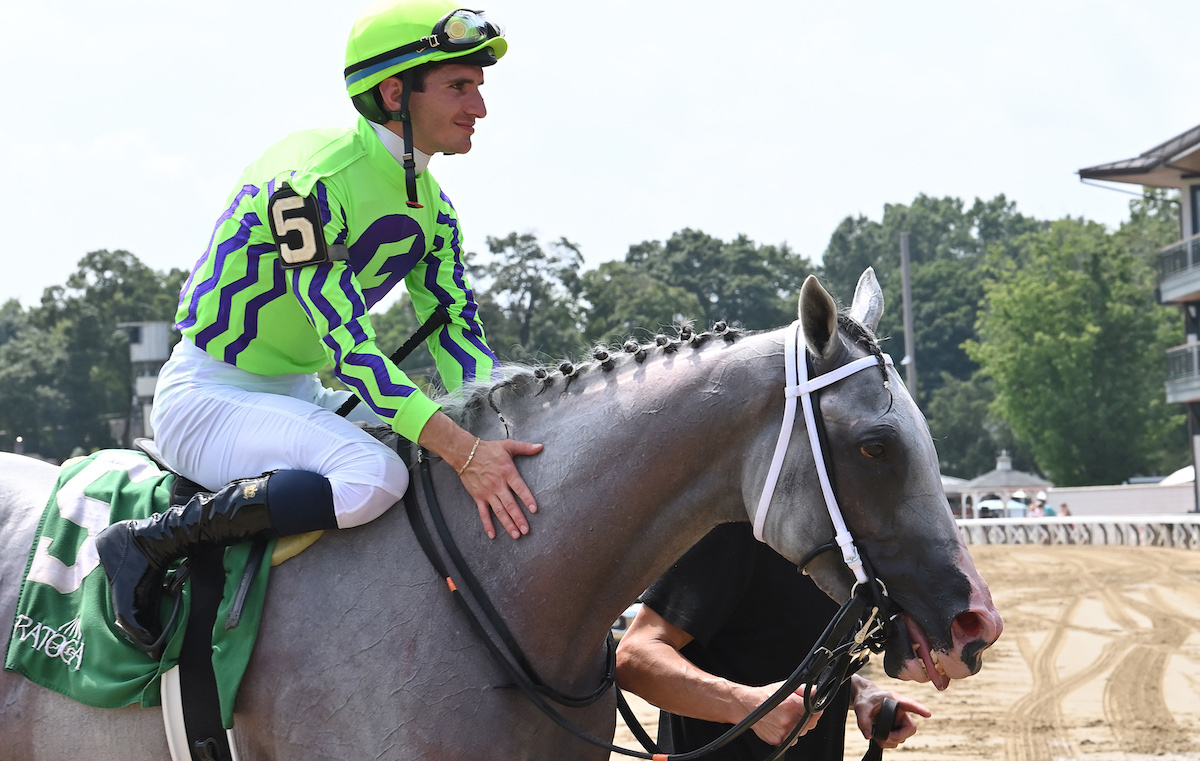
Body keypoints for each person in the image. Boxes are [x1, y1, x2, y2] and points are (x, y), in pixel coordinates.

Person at [95, 0, 541, 652]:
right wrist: (466, 452)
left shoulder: (435, 209)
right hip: (210, 396)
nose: (479, 107)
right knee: (378, 478)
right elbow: (352, 350)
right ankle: (152, 538)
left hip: (298, 393)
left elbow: (456, 334)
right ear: (395, 91)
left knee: (425, 459)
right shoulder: (309, 184)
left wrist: (501, 428)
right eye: (458, 86)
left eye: (478, 87)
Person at [616, 523, 931, 760]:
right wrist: (745, 705)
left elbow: (784, 653)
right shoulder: (734, 533)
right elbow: (635, 656)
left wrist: (861, 691)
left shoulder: (845, 554)